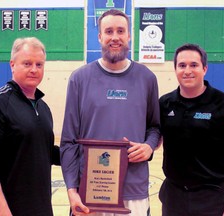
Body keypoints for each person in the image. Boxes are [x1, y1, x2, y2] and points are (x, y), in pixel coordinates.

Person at [60, 9, 160, 216]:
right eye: (109, 31)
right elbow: (69, 141)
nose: (115, 37)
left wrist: (149, 146)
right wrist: (71, 189)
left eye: (121, 31)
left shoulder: (147, 78)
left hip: (134, 193)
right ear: (99, 37)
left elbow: (155, 127)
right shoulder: (79, 79)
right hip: (90, 192)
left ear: (129, 35)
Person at [158, 43, 224, 216]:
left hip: (214, 198)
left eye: (194, 65)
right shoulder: (164, 104)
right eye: (182, 65)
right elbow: (155, 138)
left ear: (205, 68)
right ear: (175, 69)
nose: (187, 70)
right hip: (173, 197)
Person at [0, 37, 60, 216]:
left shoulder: (43, 108)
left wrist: (86, 153)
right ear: (12, 65)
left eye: (39, 64)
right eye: (27, 63)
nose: (34, 70)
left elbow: (46, 152)